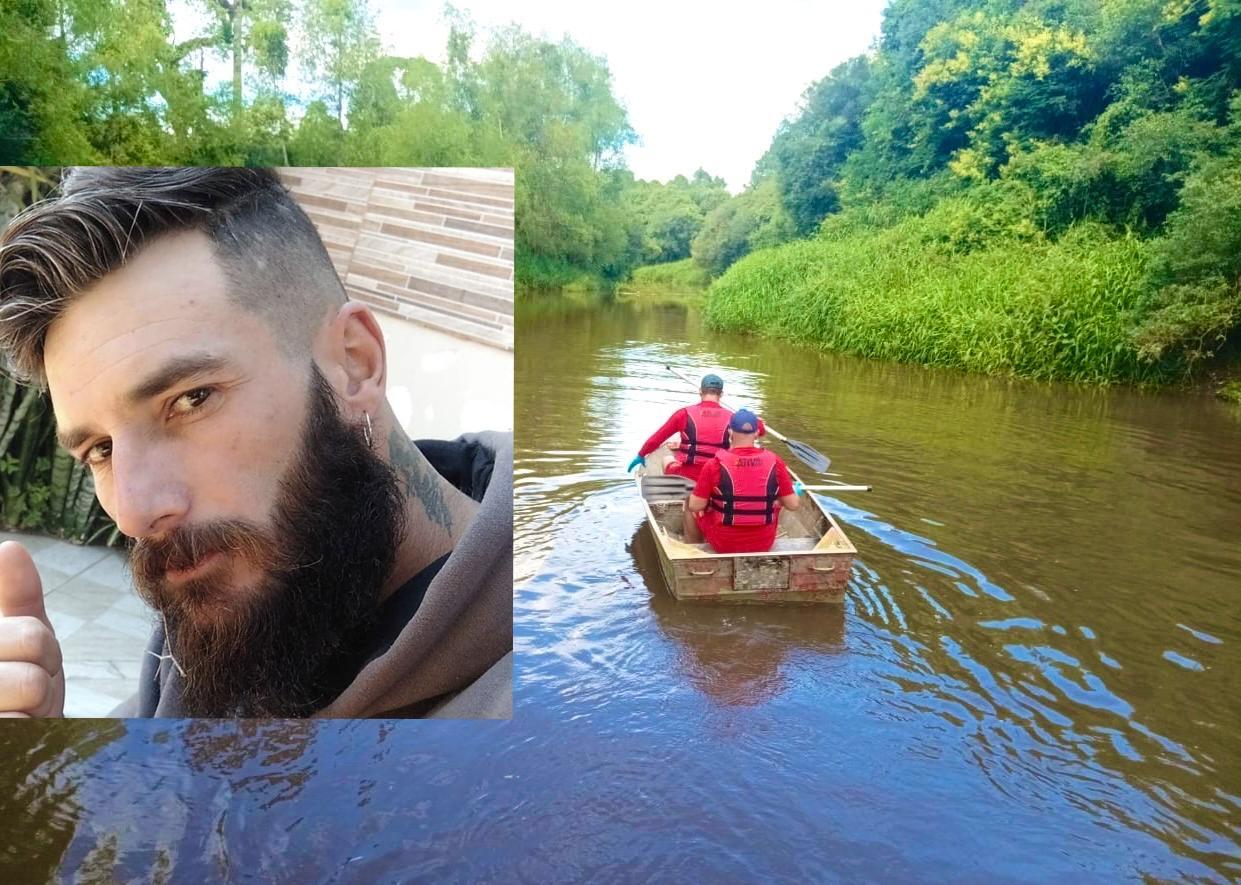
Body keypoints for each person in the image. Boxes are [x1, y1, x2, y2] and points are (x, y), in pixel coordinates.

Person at [0, 167, 512, 718]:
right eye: (100, 450)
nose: (134, 513)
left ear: (355, 364)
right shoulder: (225, 624)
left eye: (192, 399)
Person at [683, 409, 803, 554]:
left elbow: (695, 506)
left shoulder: (714, 464)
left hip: (724, 544)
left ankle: (693, 551)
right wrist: (792, 492)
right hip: (763, 543)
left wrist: (711, 502)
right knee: (779, 501)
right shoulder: (775, 462)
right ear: (757, 433)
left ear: (730, 432)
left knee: (690, 501)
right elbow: (793, 505)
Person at [627, 373, 764, 483]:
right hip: (717, 476)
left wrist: (641, 454)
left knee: (667, 459)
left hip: (687, 475)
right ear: (721, 394)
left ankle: (683, 499)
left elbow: (657, 438)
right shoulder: (732, 417)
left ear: (700, 392)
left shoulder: (683, 414)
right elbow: (760, 430)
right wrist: (747, 414)